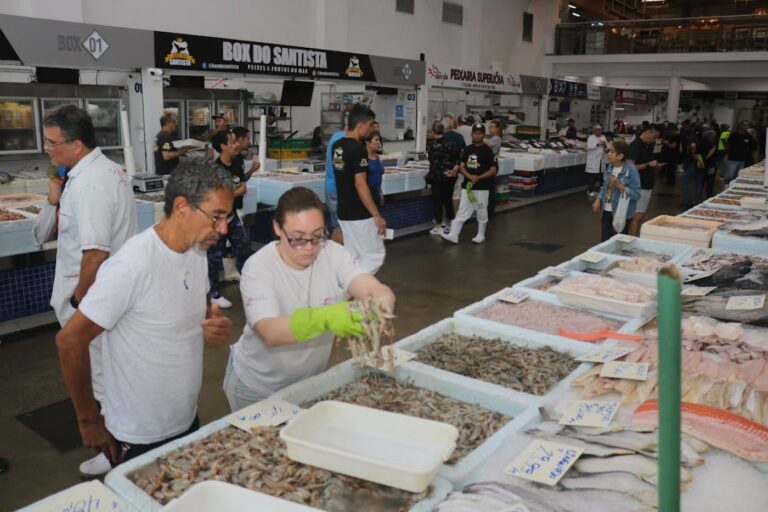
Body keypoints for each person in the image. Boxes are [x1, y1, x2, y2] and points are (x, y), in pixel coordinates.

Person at [55, 160, 234, 467]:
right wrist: (88, 420)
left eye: (226, 217)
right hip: (138, 434)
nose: (223, 228)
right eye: (216, 217)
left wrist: (211, 321)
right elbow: (69, 341)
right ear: (181, 206)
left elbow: (187, 304)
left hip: (184, 416)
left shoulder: (196, 252)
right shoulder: (132, 266)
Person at [223, 187, 395, 409]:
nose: (309, 247)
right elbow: (269, 331)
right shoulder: (259, 267)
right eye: (297, 239)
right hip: (258, 387)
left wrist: (378, 308)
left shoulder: (333, 253)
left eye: (317, 236)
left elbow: (376, 290)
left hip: (309, 382)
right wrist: (325, 318)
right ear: (277, 228)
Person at [44, 105, 138, 477]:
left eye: (53, 143)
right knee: (111, 374)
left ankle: (116, 454)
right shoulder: (100, 171)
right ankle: (117, 446)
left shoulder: (91, 183)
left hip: (94, 300)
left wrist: (81, 303)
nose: (47, 148)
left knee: (103, 379)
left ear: (78, 144)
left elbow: (95, 253)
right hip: (103, 297)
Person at [332, 105, 386, 274]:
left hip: (343, 211)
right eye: (370, 125)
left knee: (353, 257)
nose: (372, 129)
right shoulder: (358, 149)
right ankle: (352, 288)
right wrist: (376, 215)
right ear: (361, 124)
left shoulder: (337, 146)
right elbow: (360, 184)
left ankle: (347, 291)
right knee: (374, 256)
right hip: (359, 214)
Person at [207, 130, 254, 308]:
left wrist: (231, 194)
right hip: (218, 220)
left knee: (244, 250)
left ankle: (250, 286)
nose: (236, 145)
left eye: (236, 141)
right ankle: (215, 294)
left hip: (234, 216)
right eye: (232, 142)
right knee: (215, 256)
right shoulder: (215, 170)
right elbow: (218, 197)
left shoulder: (237, 163)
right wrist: (235, 193)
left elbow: (243, 187)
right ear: (223, 146)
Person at [441, 123, 497, 245]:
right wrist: (470, 176)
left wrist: (479, 177)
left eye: (480, 133)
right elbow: (462, 166)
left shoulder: (488, 151)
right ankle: (454, 235)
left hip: (482, 187)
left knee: (481, 211)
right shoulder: (468, 149)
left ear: (483, 135)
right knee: (462, 210)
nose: (477, 135)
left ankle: (481, 234)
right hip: (468, 186)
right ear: (471, 134)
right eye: (475, 133)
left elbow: (493, 170)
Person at [592, 140, 641, 242]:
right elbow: (605, 186)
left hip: (621, 213)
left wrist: (619, 186)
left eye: (612, 151)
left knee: (618, 243)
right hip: (606, 211)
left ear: (620, 156)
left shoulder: (631, 170)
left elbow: (636, 195)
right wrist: (598, 199)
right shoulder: (610, 167)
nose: (609, 154)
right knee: (605, 242)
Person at [426, 122, 460, 236]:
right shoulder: (452, 144)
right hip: (449, 176)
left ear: (433, 132)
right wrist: (454, 170)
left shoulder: (431, 145)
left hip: (436, 177)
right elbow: (458, 160)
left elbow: (432, 161)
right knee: (448, 200)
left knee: (437, 202)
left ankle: (438, 226)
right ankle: (449, 225)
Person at [627, 126, 660, 236]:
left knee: (641, 214)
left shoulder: (648, 145)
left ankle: (635, 236)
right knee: (637, 215)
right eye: (653, 137)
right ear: (646, 132)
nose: (654, 140)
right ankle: (633, 238)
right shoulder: (636, 146)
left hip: (647, 183)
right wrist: (647, 165)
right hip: (639, 185)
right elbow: (630, 167)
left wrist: (654, 165)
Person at [325, 125, 346, 244]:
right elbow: (338, 165)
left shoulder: (336, 137)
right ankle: (336, 259)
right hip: (337, 189)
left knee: (339, 227)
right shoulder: (341, 140)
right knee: (340, 228)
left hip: (334, 188)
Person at [585, 124, 608, 199]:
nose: (599, 131)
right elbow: (589, 147)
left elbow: (606, 148)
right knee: (592, 176)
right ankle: (589, 191)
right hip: (593, 160)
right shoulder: (591, 137)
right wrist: (598, 144)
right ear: (594, 131)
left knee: (600, 176)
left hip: (601, 160)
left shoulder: (603, 137)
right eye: (597, 130)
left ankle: (593, 190)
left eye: (600, 130)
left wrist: (604, 145)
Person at [365, 131, 385, 207]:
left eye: (379, 140)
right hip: (366, 198)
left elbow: (379, 178)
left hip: (376, 196)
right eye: (376, 140)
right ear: (367, 142)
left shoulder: (378, 158)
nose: (379, 142)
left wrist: (380, 192)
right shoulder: (363, 159)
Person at [701, 130, 718, 198]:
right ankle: (709, 196)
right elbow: (709, 156)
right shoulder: (713, 145)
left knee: (701, 182)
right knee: (710, 182)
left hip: (703, 165)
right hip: (710, 165)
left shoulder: (702, 143)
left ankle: (698, 196)